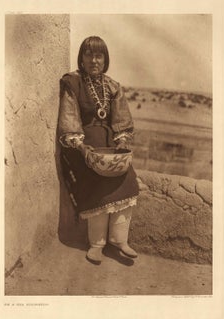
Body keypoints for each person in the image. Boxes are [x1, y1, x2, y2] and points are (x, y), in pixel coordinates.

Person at [58, 36, 139, 265]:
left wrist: (122, 142)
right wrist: (82, 148)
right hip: (82, 147)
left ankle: (119, 239)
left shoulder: (113, 86)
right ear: (81, 59)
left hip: (110, 147)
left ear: (105, 59)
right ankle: (97, 244)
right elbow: (69, 120)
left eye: (99, 55)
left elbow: (122, 121)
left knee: (128, 180)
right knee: (98, 185)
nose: (94, 60)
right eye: (89, 55)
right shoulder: (73, 84)